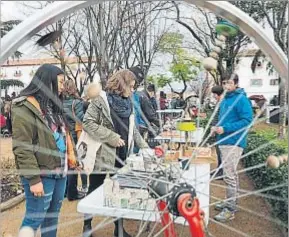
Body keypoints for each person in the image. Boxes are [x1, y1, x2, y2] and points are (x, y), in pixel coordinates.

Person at [12, 64, 79, 237]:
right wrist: (33, 179)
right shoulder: (24, 107)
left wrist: (73, 157)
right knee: (35, 218)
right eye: (61, 82)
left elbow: (65, 134)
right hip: (41, 173)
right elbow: (22, 147)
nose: (63, 86)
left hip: (60, 171)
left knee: (52, 217)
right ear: (48, 82)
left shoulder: (53, 105)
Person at [82, 71, 148, 237]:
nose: (132, 90)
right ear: (122, 85)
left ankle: (118, 230)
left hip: (123, 154)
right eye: (130, 87)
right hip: (102, 155)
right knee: (94, 187)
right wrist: (111, 137)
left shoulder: (129, 103)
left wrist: (145, 147)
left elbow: (133, 129)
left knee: (120, 191)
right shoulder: (100, 100)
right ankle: (87, 225)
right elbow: (88, 123)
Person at [212, 74, 253, 222]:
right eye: (224, 82)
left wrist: (225, 128)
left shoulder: (241, 99)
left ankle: (229, 210)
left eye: (229, 82)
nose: (226, 85)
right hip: (224, 141)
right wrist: (216, 128)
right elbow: (224, 119)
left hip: (234, 142)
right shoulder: (225, 99)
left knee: (229, 176)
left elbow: (247, 120)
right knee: (230, 175)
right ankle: (230, 202)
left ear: (236, 83)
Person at [62, 80, 87, 199]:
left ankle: (65, 191)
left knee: (67, 163)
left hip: (63, 136)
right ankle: (73, 193)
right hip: (74, 136)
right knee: (77, 163)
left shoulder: (59, 102)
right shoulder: (76, 103)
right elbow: (80, 119)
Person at [210, 85, 224, 178]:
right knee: (218, 152)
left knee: (221, 153)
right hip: (216, 129)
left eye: (214, 94)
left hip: (220, 130)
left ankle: (221, 172)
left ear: (216, 94)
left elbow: (219, 117)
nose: (213, 96)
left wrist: (215, 128)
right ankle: (219, 170)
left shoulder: (222, 103)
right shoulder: (219, 102)